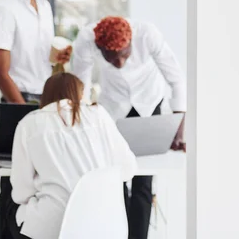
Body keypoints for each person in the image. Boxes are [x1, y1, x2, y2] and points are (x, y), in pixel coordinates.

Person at [0, 0, 70, 238]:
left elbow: (39, 57)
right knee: (14, 181)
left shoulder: (43, 6)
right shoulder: (3, 9)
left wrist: (58, 58)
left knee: (40, 181)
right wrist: (24, 113)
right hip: (17, 101)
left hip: (43, 100)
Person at [72, 16, 186, 239]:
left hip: (149, 105)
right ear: (99, 48)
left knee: (143, 182)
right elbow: (80, 88)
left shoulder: (148, 34)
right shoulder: (86, 40)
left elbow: (176, 79)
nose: (120, 64)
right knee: (116, 180)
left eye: (124, 56)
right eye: (112, 60)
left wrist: (178, 127)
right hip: (112, 111)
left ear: (131, 41)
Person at [6, 72, 137, 239]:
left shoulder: (28, 124)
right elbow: (128, 169)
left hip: (54, 228)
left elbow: (21, 192)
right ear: (80, 94)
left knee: (11, 207)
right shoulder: (99, 114)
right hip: (106, 225)